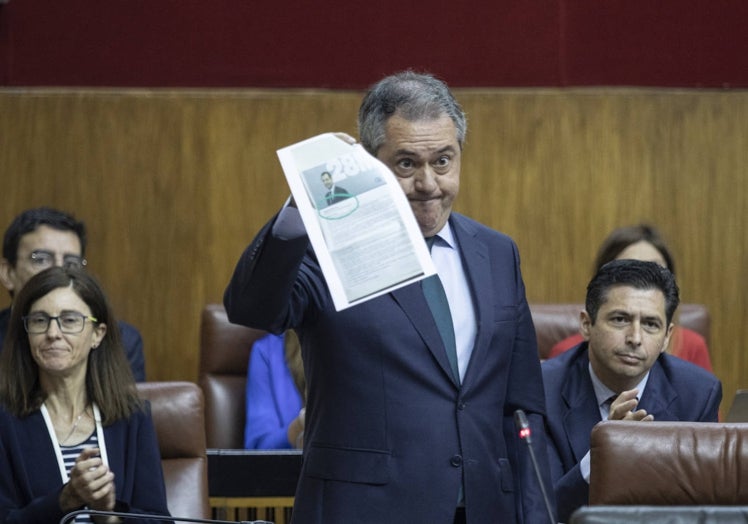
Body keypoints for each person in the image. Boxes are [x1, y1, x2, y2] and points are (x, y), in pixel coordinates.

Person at [224, 71, 555, 524]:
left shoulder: (497, 253)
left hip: (483, 509)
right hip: (364, 511)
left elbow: (522, 408)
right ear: (368, 163)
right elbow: (252, 308)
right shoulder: (328, 251)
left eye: (443, 161)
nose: (428, 184)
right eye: (406, 164)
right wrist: (300, 207)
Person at [542, 259, 721, 522]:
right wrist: (602, 457)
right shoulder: (542, 390)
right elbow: (540, 509)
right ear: (586, 324)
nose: (635, 338)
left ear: (667, 337)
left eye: (650, 324)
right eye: (620, 319)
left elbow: (702, 507)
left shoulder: (697, 393)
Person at [0, 267, 170, 523]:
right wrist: (64, 501)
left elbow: (159, 521)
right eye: (39, 321)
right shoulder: (5, 421)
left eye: (69, 320)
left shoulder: (132, 417)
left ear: (97, 334)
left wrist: (108, 516)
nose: (53, 333)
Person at [0, 207, 146, 381]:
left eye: (71, 263)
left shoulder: (122, 341)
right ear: (8, 273)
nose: (58, 271)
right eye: (41, 259)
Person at [548, 223, 713, 372]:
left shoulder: (693, 349)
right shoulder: (565, 355)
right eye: (619, 319)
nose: (635, 338)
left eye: (655, 270)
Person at [244, 331, 306, 449]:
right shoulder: (267, 351)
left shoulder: (347, 342)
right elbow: (259, 449)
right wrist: (301, 425)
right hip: (293, 465)